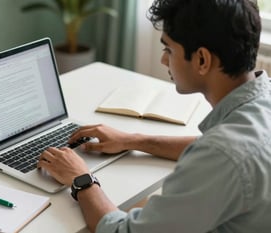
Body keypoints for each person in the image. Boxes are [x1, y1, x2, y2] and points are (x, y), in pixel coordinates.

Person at [38, 0, 271, 232]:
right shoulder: (261, 103)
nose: (163, 60)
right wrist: (132, 140)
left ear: (202, 59)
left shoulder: (221, 155)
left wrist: (81, 179)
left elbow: (123, 231)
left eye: (168, 50)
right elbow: (217, 149)